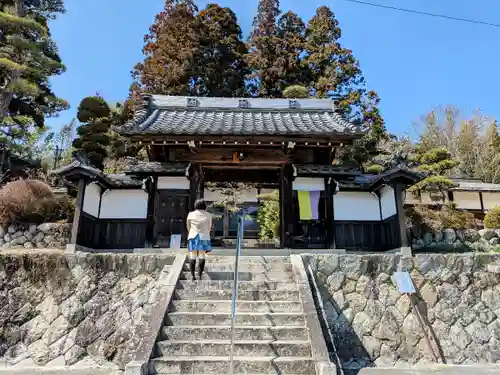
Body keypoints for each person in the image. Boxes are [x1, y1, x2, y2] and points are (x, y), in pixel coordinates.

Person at [186, 198, 213, 281]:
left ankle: (192, 276)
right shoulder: (209, 215)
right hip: (204, 236)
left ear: (196, 205)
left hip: (193, 236)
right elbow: (209, 227)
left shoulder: (190, 214)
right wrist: (205, 233)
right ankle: (200, 275)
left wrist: (191, 232)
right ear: (205, 205)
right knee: (202, 255)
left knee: (193, 255)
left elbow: (188, 226)